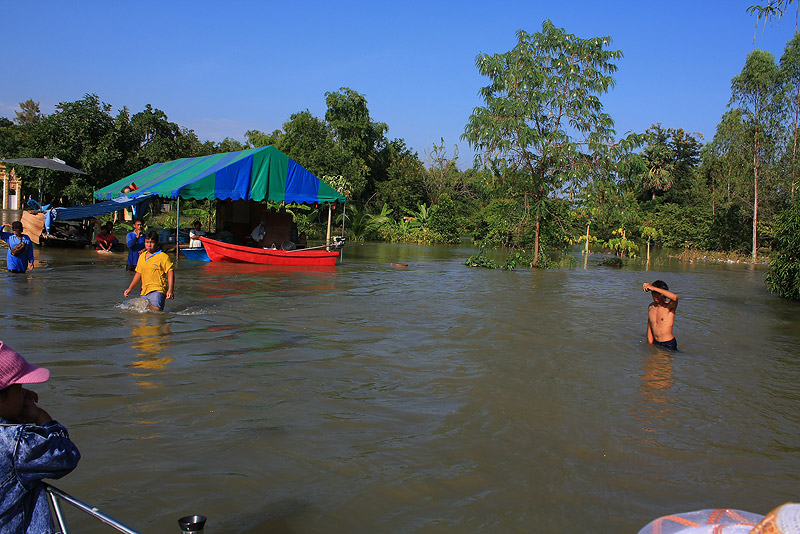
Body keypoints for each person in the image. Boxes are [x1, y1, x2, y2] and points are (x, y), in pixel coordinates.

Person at [0, 340, 81, 533]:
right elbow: (66, 456)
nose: (25, 395)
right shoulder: (17, 444)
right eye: (19, 389)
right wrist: (40, 417)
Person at [124, 231, 174, 311]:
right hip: (144, 291)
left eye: (152, 242)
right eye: (147, 242)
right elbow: (138, 274)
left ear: (157, 243)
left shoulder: (163, 257)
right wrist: (130, 288)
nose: (149, 245)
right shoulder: (142, 256)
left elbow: (170, 272)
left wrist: (170, 289)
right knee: (144, 315)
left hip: (158, 290)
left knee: (156, 312)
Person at [643, 280, 679, 351]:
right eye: (653, 293)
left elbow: (675, 297)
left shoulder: (669, 307)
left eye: (657, 294)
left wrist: (653, 288)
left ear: (663, 294)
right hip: (655, 342)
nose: (655, 296)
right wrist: (650, 344)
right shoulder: (651, 307)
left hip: (668, 343)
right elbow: (649, 326)